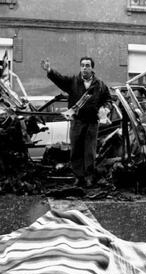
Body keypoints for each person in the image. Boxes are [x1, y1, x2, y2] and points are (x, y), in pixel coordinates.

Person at [41, 56, 112, 187]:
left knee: (89, 151)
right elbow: (60, 80)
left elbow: (108, 99)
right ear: (80, 67)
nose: (85, 68)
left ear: (92, 68)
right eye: (83, 65)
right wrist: (49, 70)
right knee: (76, 150)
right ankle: (79, 177)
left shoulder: (100, 84)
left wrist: (106, 108)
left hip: (92, 122)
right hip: (77, 121)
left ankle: (89, 177)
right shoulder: (73, 81)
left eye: (88, 65)